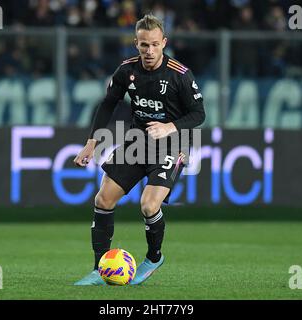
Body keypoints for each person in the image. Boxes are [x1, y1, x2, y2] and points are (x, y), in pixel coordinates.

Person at [73, 14, 205, 285]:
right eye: (144, 45)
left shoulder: (180, 75)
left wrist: (169, 127)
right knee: (103, 199)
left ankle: (154, 257)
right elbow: (108, 103)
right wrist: (91, 142)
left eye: (155, 44)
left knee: (148, 204)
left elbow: (198, 114)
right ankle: (100, 269)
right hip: (138, 141)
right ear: (136, 43)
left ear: (164, 43)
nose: (149, 51)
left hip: (173, 143)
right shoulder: (126, 70)